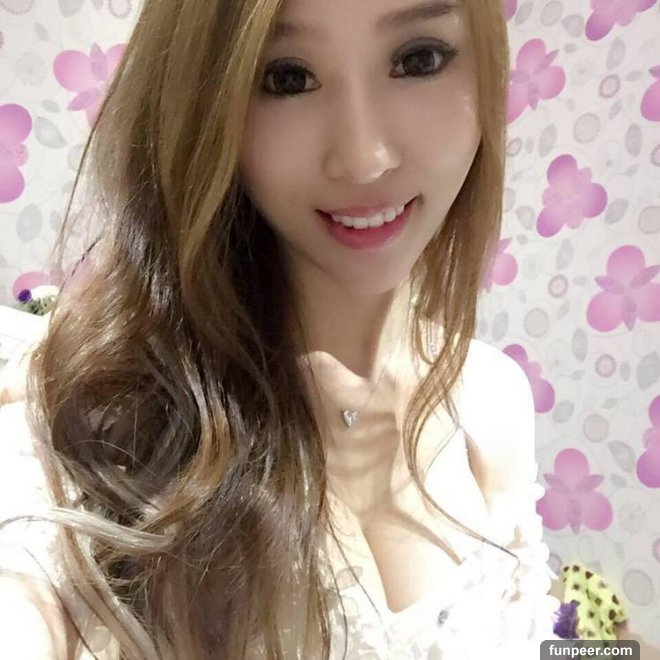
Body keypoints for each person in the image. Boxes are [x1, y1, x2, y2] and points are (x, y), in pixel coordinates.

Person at [0, 0, 563, 657]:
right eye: (287, 78)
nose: (365, 159)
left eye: (419, 59)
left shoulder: (492, 396)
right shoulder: (91, 429)